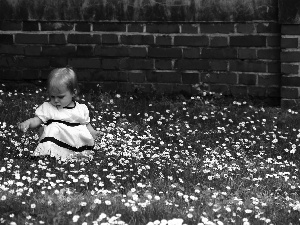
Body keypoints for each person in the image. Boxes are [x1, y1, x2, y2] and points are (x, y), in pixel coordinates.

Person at [18, 67, 100, 161]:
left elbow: (86, 124)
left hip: (76, 141)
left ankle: (77, 155)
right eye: (52, 97)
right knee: (52, 128)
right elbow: (37, 120)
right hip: (57, 139)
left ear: (74, 92)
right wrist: (27, 123)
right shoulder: (49, 108)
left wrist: (93, 132)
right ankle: (48, 154)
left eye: (60, 97)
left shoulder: (81, 109)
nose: (56, 100)